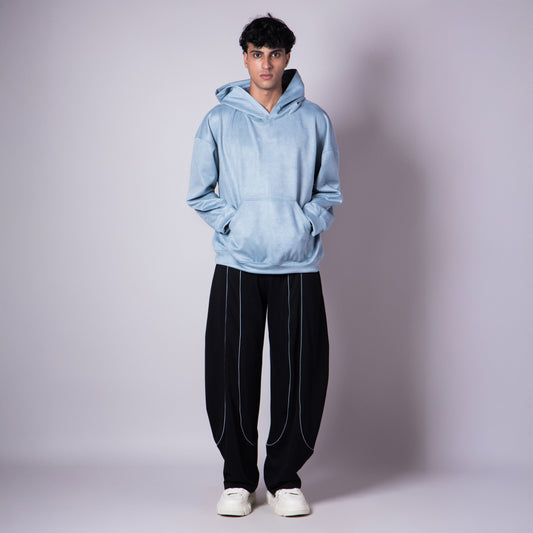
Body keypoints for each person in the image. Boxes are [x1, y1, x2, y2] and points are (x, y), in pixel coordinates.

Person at [186, 13, 342, 517]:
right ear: (245, 58)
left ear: (288, 58)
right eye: (257, 54)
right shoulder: (219, 120)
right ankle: (237, 478)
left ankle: (284, 479)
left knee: (300, 373)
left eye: (275, 54)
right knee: (231, 372)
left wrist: (304, 224)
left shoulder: (314, 120)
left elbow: (328, 191)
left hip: (297, 264)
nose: (266, 64)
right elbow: (199, 192)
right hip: (237, 263)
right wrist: (234, 224)